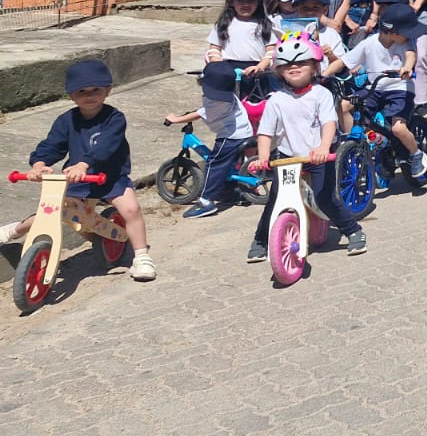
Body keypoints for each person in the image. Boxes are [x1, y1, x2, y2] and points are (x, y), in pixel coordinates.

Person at [1, 60, 156, 280]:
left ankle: (141, 256)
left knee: (131, 209)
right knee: (52, 210)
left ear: (108, 90)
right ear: (71, 95)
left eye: (96, 90)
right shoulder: (66, 120)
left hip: (110, 177)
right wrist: (39, 164)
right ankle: (16, 229)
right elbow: (53, 144)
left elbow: (106, 147)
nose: (89, 95)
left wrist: (84, 164)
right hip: (79, 179)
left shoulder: (114, 119)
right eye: (82, 91)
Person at [245, 32, 364, 261]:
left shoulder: (321, 94)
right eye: (287, 65)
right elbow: (265, 133)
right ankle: (260, 240)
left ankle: (353, 231)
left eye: (301, 63)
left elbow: (330, 123)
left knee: (324, 197)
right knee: (276, 199)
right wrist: (262, 157)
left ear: (314, 67)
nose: (294, 68)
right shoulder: (276, 99)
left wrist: (323, 147)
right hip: (288, 157)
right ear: (278, 70)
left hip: (317, 156)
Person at [322, 6, 427, 184]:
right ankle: (357, 143)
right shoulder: (369, 43)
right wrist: (323, 76)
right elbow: (343, 62)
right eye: (407, 32)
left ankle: (416, 154)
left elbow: (410, 56)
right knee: (343, 105)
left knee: (398, 128)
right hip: (375, 88)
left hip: (399, 88)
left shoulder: (405, 43)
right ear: (391, 31)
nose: (410, 36)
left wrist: (407, 68)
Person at [163, 62, 259, 220]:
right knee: (227, 163)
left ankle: (206, 201)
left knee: (214, 163)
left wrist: (176, 119)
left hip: (231, 135)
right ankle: (231, 189)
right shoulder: (226, 92)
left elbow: (200, 114)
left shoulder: (218, 102)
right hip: (241, 130)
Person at [204, 0, 276, 73]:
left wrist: (260, 67)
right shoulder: (223, 24)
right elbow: (214, 48)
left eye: (251, 0)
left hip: (256, 69)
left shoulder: (265, 25)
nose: (246, 4)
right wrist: (219, 66)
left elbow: (271, 51)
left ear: (258, 2)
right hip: (227, 69)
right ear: (231, 2)